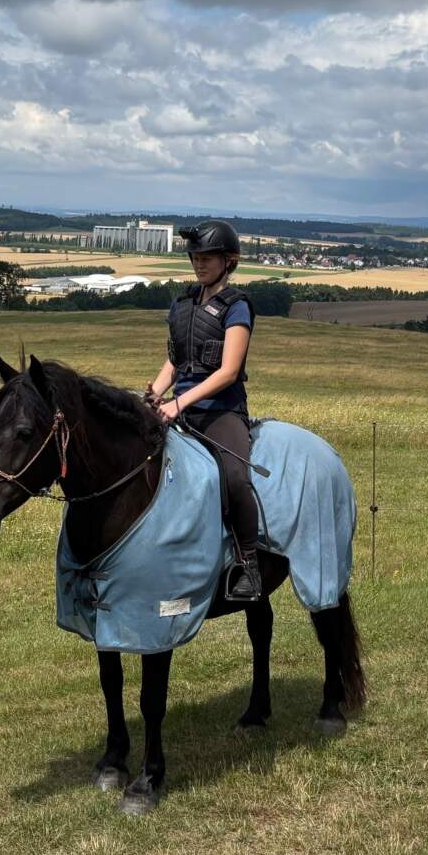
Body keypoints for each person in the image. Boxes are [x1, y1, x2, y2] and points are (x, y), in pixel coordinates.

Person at [147, 220, 265, 601]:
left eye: (208, 258)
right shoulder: (182, 305)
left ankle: (249, 564)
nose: (199, 264)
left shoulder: (237, 306)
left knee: (234, 477)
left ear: (228, 261)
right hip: (178, 410)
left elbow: (229, 372)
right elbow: (174, 363)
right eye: (196, 257)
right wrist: (152, 394)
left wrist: (179, 402)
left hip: (219, 412)